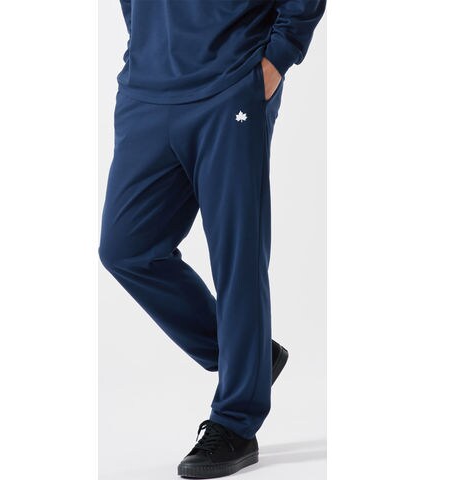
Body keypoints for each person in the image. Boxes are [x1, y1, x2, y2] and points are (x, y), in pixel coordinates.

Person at [99, 1, 325, 477]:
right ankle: (251, 358)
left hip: (232, 80)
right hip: (147, 87)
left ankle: (236, 421)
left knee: (236, 256)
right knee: (126, 248)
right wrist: (146, 49)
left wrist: (277, 57)